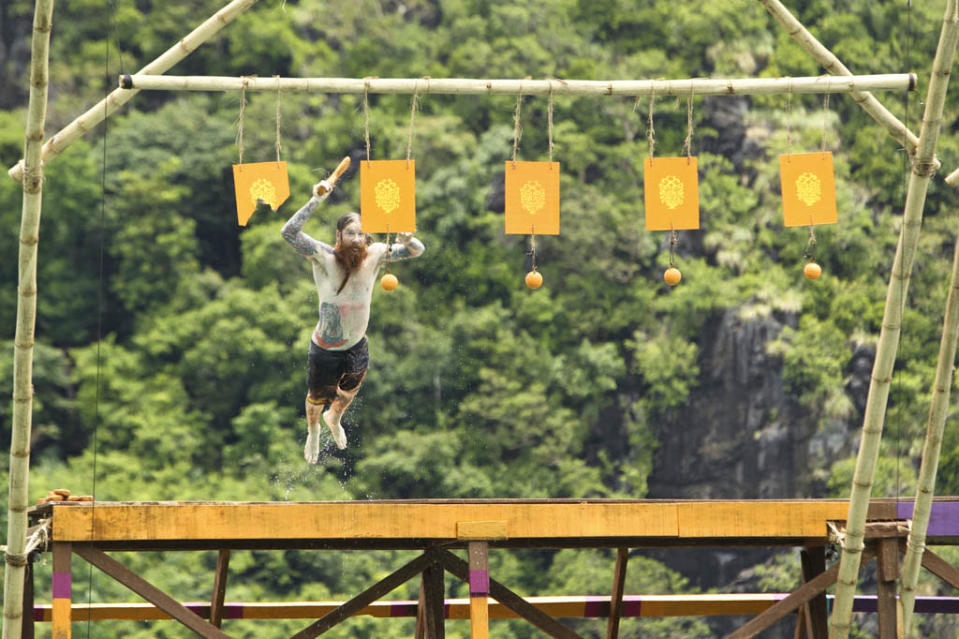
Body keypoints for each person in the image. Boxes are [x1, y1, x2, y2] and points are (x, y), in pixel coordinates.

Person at [281, 176, 425, 463]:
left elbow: (417, 251)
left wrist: (409, 239)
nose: (357, 239)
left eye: (361, 234)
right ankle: (313, 431)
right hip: (324, 347)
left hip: (356, 344)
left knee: (348, 392)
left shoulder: (374, 255)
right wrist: (316, 200)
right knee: (316, 398)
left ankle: (334, 418)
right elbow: (289, 232)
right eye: (350, 234)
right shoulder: (324, 256)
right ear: (339, 237)